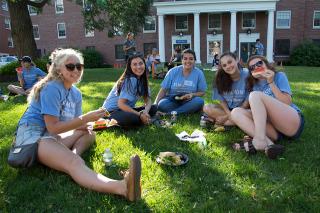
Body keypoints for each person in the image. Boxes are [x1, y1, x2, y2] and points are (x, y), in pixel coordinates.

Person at [13, 48, 141, 201]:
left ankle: (68, 156)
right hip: (34, 136)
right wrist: (85, 118)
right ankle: (123, 188)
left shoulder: (76, 94)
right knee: (75, 163)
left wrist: (91, 122)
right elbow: (53, 126)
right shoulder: (51, 88)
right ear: (59, 69)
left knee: (89, 133)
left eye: (79, 66)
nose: (76, 70)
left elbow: (74, 124)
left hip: (52, 136)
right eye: (70, 66)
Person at [230, 55, 305, 159]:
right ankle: (270, 145)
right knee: (236, 112)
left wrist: (271, 82)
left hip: (292, 122)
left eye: (259, 63)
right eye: (252, 67)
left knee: (255, 95)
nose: (256, 67)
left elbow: (287, 103)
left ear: (266, 64)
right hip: (274, 131)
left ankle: (259, 139)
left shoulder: (279, 76)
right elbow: (247, 109)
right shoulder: (252, 86)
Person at [102, 54, 157, 128]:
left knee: (153, 108)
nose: (138, 67)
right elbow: (121, 104)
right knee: (132, 118)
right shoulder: (130, 79)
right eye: (134, 64)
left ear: (144, 64)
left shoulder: (143, 80)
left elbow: (148, 100)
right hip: (110, 112)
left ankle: (144, 119)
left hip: (124, 111)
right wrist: (140, 115)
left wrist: (145, 112)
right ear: (130, 67)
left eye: (141, 63)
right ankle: (144, 120)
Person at [203, 52, 249, 127]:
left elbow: (247, 103)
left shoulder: (247, 75)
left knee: (252, 113)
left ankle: (227, 122)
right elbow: (221, 101)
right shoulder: (219, 78)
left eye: (230, 62)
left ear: (236, 60)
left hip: (243, 110)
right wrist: (228, 113)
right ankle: (236, 122)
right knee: (207, 107)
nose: (228, 66)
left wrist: (226, 117)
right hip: (227, 109)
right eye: (224, 65)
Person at [155, 49, 207, 114]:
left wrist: (192, 94)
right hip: (172, 100)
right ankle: (187, 110)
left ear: (194, 61)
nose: (188, 61)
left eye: (191, 59)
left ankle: (171, 113)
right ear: (182, 60)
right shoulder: (172, 71)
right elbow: (163, 90)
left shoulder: (199, 73)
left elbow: (202, 92)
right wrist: (155, 105)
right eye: (185, 59)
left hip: (189, 101)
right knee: (162, 104)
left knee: (199, 101)